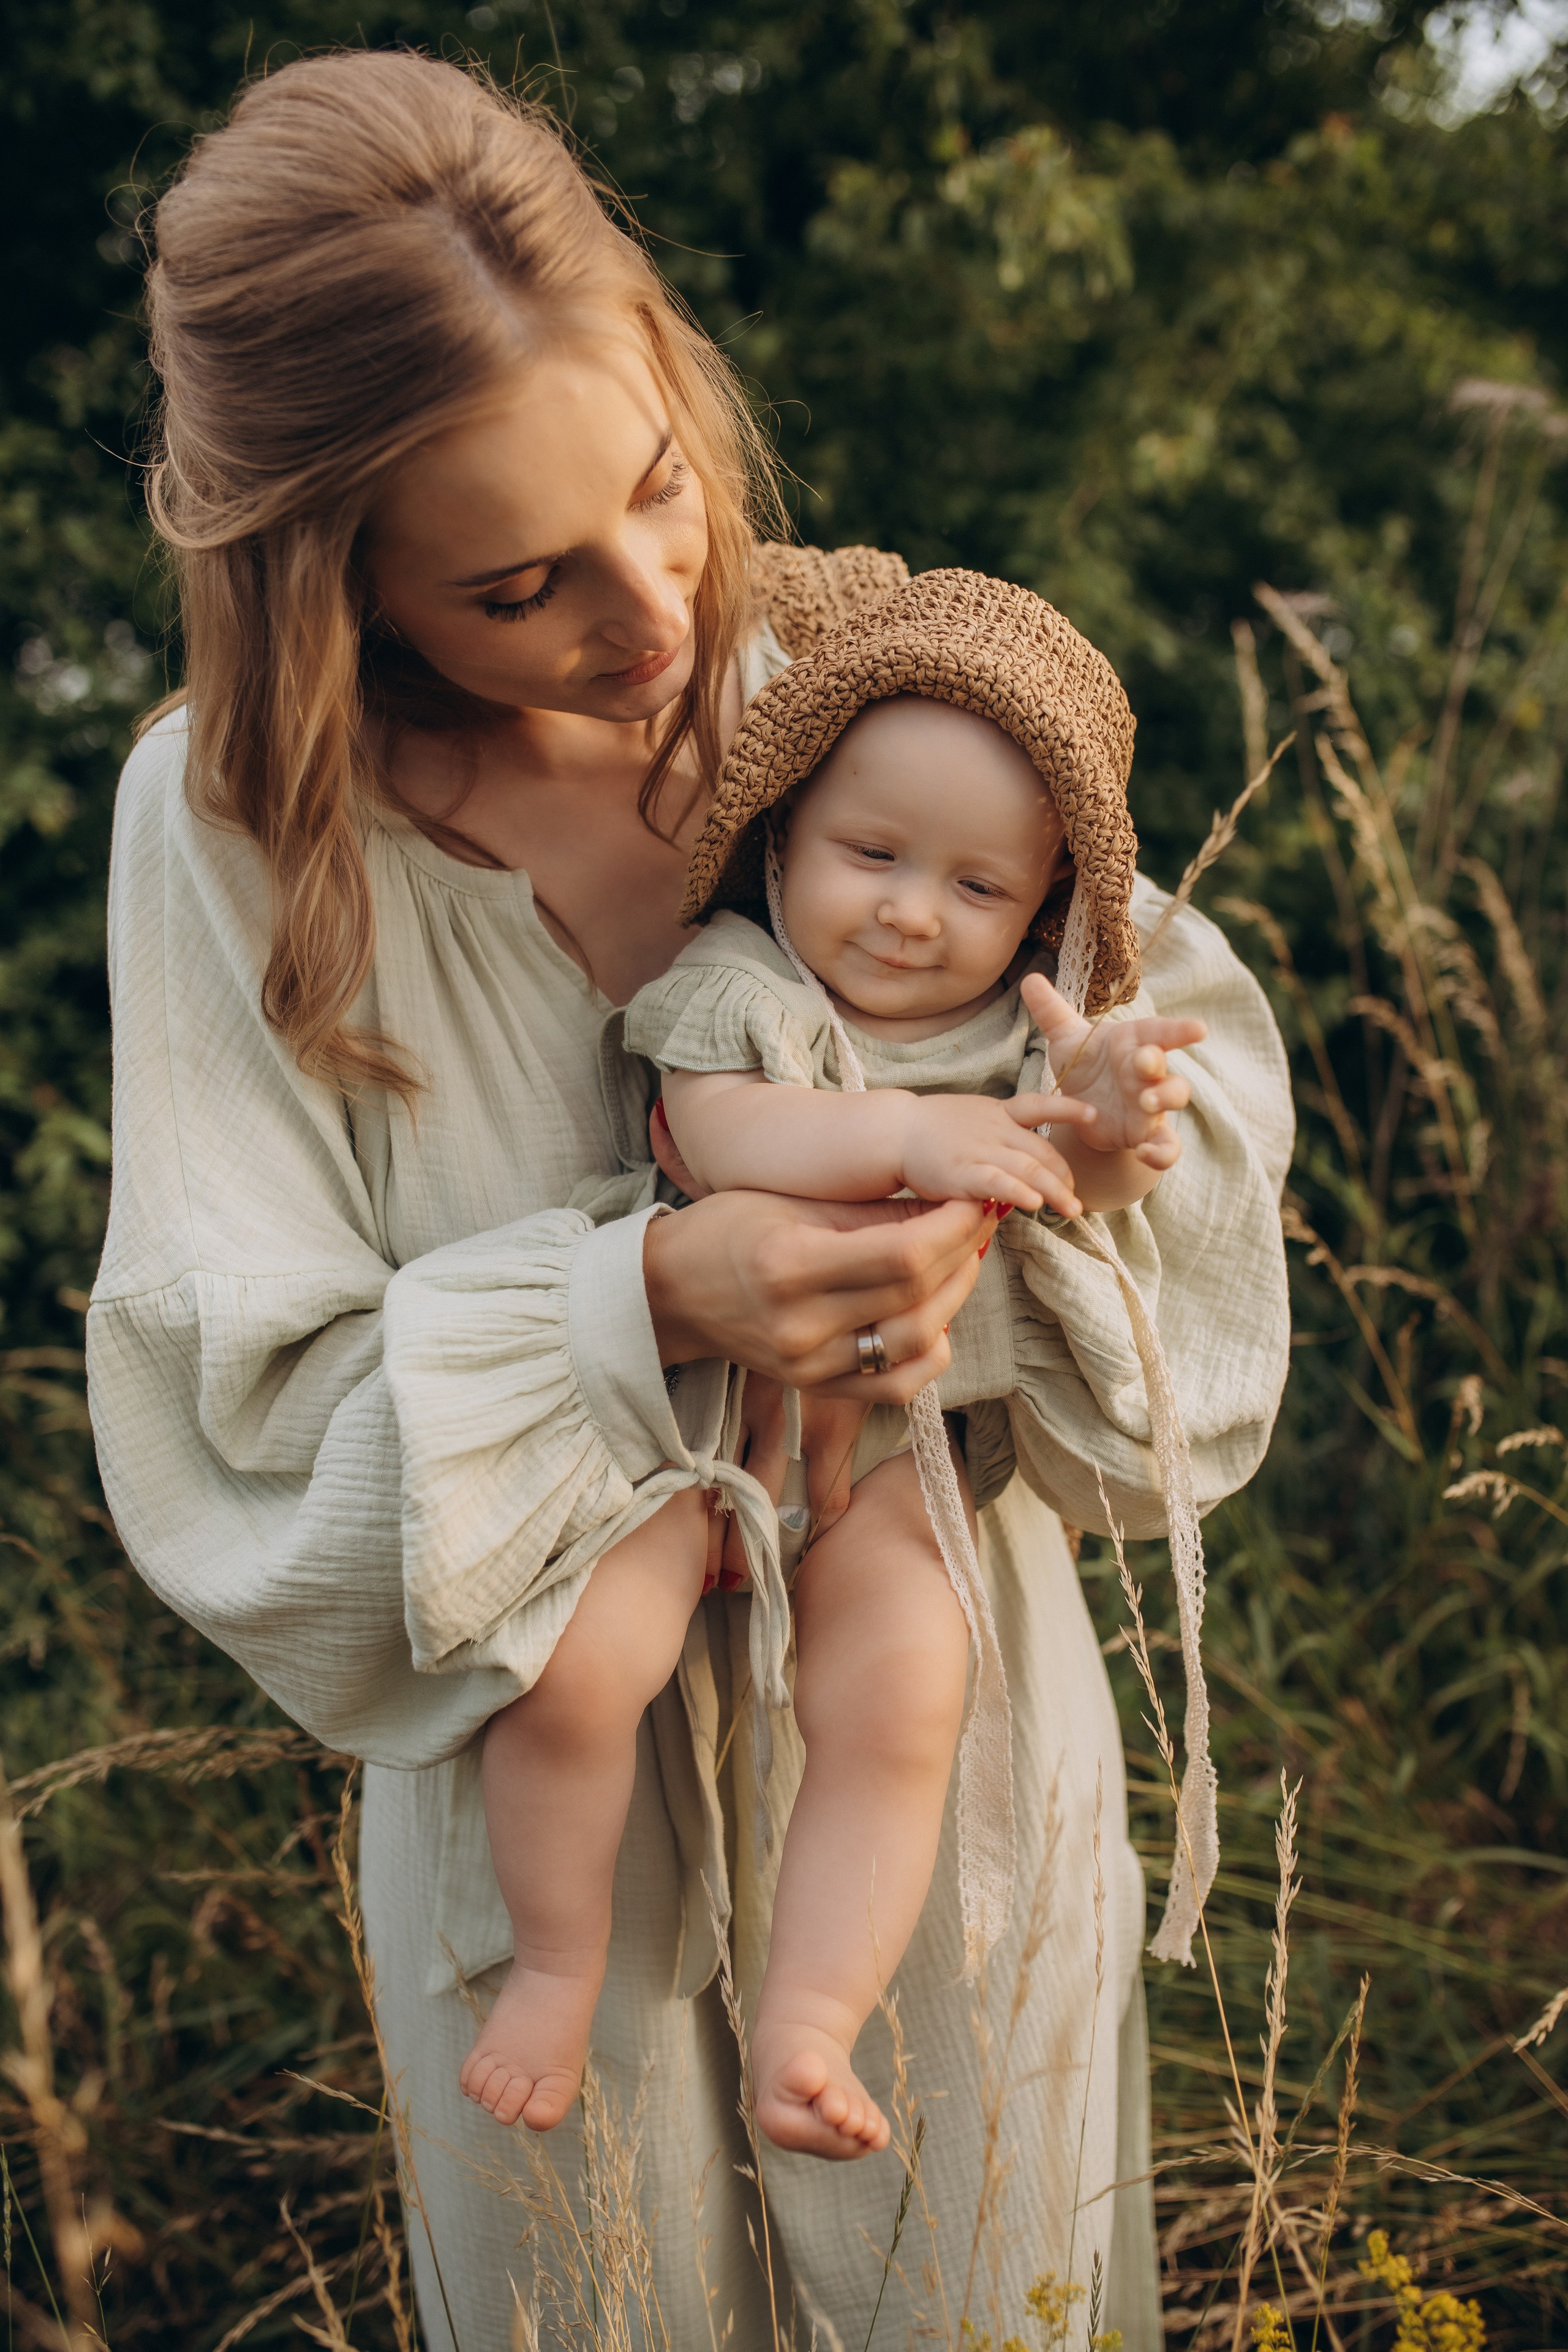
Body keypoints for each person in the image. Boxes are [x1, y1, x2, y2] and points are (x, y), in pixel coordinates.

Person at [87, 47, 1293, 2350]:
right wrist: (648, 1290)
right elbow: (235, 1424)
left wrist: (1022, 1207)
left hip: (936, 1721)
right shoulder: (230, 832)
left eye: (658, 488)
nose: (651, 614)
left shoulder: (852, 677)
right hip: (546, 1799)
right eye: (523, 582)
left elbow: (1189, 1092)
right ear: (326, 584)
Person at [465, 570, 1212, 2166]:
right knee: (574, 1669)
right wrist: (912, 1134)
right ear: (786, 835)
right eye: (873, 855)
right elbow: (733, 1135)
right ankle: (551, 1961)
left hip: (885, 1463)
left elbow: (1085, 1182)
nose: (911, 913)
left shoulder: (1016, 1037)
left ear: (1044, 913)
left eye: (977, 888)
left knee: (902, 1704)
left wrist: (1110, 1121)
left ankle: (810, 2021)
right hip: (678, 1436)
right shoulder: (741, 981)